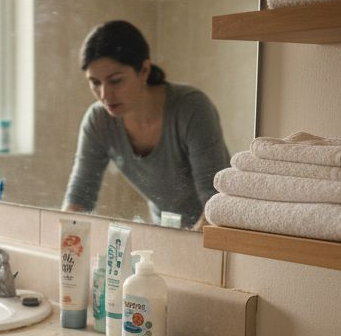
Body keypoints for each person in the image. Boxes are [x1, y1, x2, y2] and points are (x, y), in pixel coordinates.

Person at [62, 19, 229, 229]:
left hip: (214, 234)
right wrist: (68, 247)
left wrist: (189, 249)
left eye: (115, 81)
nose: (105, 95)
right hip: (163, 232)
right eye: (95, 82)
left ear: (144, 70)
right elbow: (79, 198)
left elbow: (215, 202)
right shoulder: (98, 121)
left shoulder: (192, 108)